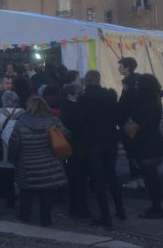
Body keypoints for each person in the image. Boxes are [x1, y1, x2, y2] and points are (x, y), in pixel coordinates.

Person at [8, 97, 69, 226]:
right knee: (47, 192)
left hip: (27, 163)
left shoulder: (21, 122)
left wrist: (12, 158)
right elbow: (65, 136)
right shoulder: (53, 121)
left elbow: (14, 143)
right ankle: (45, 218)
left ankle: (25, 215)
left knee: (26, 192)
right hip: (49, 163)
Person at [78, 70, 125, 226]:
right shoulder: (110, 96)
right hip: (110, 138)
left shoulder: (84, 99)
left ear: (86, 81)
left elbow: (81, 121)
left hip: (93, 140)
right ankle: (120, 210)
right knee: (111, 176)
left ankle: (105, 216)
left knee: (98, 179)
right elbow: (118, 116)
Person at [127, 74, 163, 219]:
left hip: (148, 141)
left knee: (151, 175)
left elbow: (146, 123)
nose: (136, 85)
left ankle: (157, 207)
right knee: (150, 175)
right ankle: (155, 206)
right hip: (152, 140)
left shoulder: (148, 100)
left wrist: (135, 132)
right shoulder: (154, 98)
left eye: (138, 83)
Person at [0, 91, 24, 209]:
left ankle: (7, 198)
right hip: (20, 151)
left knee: (5, 176)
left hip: (2, 150)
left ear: (4, 101)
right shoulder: (24, 114)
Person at [60, 83, 89, 219]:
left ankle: (75, 207)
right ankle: (79, 207)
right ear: (71, 94)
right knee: (78, 178)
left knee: (74, 178)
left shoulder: (66, 106)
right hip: (76, 147)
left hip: (72, 146)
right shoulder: (72, 107)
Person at [117, 57, 144, 190]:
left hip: (129, 123)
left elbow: (125, 105)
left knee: (132, 151)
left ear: (128, 68)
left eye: (121, 66)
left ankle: (136, 178)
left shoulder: (131, 86)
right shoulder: (138, 81)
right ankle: (140, 178)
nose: (119, 69)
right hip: (135, 122)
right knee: (136, 151)